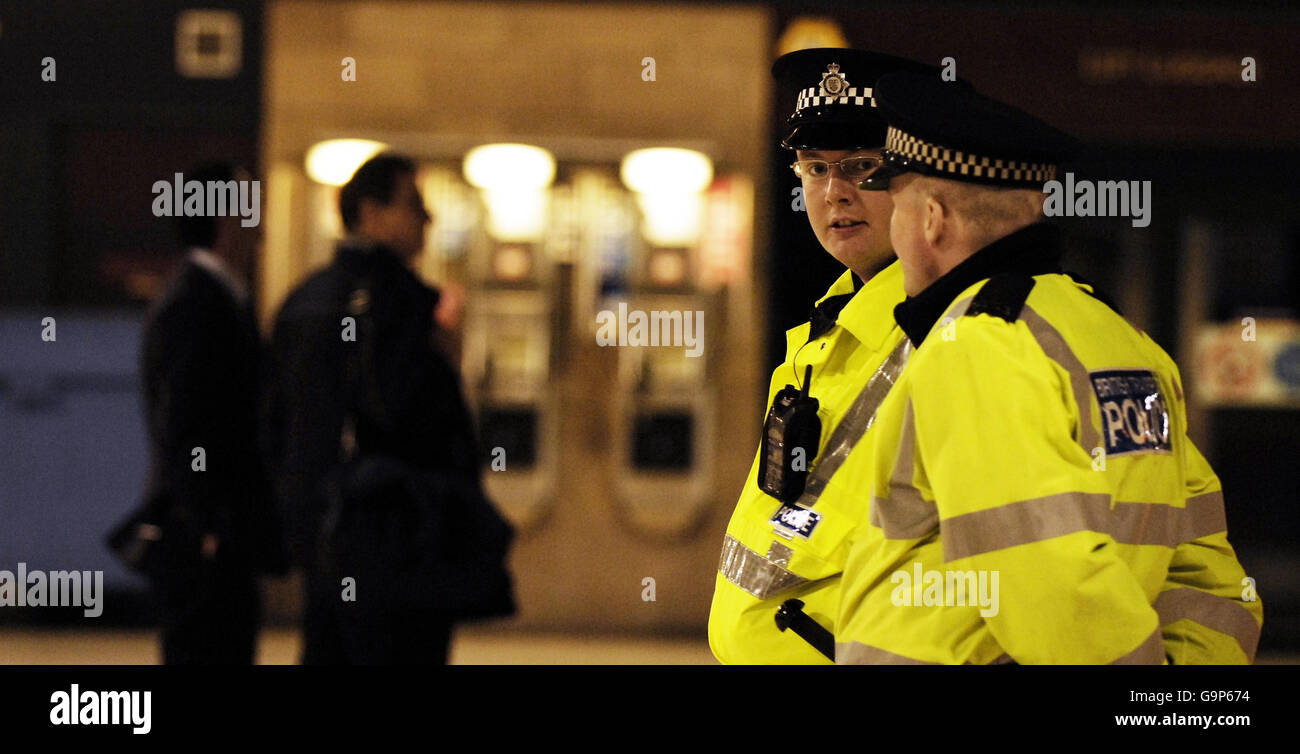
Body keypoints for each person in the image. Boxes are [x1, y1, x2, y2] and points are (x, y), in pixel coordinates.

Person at [833, 71, 1262, 664]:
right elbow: (1206, 574)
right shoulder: (1122, 341)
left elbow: (1048, 579)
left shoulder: (975, 344)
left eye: (898, 207)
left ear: (933, 219)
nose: (896, 233)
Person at [707, 49, 948, 664]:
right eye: (815, 169)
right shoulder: (820, 336)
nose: (835, 193)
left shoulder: (951, 338)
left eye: (862, 167)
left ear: (922, 181)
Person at [266, 153, 482, 664]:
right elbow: (423, 425)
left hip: (325, 540)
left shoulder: (303, 301)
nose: (427, 220)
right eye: (413, 205)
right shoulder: (412, 306)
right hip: (405, 545)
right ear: (370, 211)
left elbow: (276, 424)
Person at [139, 160, 283, 664]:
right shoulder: (197, 304)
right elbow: (188, 424)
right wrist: (208, 523)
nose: (262, 220)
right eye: (250, 204)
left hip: (219, 532)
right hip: (206, 538)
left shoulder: (217, 297)